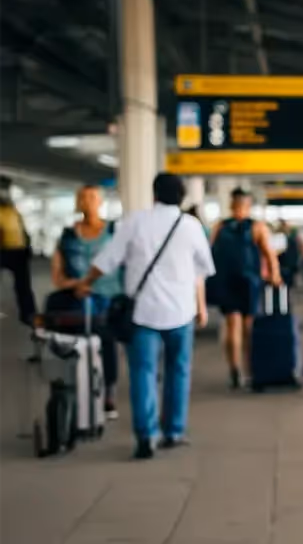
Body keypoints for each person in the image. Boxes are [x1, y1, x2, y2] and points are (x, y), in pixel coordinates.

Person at [74, 173, 215, 459]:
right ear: (181, 197)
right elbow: (203, 269)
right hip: (181, 311)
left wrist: (86, 282)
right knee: (179, 371)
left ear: (154, 194)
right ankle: (174, 431)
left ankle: (146, 435)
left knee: (143, 373)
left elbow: (108, 259)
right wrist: (200, 305)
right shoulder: (190, 226)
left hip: (143, 312)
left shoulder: (135, 222)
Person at [51, 184, 122, 417]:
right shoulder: (67, 236)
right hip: (76, 298)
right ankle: (72, 386)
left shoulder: (113, 231)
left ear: (101, 201)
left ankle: (109, 390)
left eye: (92, 197)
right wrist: (74, 285)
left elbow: (124, 265)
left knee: (106, 340)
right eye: (82, 198)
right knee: (70, 339)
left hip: (109, 298)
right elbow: (58, 275)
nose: (87, 202)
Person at [208, 189, 281, 389]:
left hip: (227, 281)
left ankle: (234, 368)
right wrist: (275, 275)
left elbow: (209, 253)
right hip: (250, 282)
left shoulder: (220, 226)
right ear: (248, 205)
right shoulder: (257, 227)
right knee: (249, 328)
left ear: (231, 205)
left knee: (233, 325)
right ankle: (250, 370)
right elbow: (269, 253)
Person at [0, 176, 36, 325]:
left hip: (18, 251)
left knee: (23, 286)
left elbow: (21, 228)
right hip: (1, 250)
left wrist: (27, 245)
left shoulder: (12, 209)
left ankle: (29, 314)